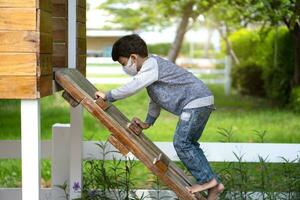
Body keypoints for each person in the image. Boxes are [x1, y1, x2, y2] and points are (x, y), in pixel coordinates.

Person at [95, 34, 224, 199]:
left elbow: (133, 86)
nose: (124, 67)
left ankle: (208, 181)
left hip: (195, 101)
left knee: (182, 143)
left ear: (133, 58)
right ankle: (214, 186)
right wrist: (148, 122)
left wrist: (108, 95)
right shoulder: (151, 70)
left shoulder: (151, 65)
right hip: (200, 101)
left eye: (123, 63)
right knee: (189, 143)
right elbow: (156, 99)